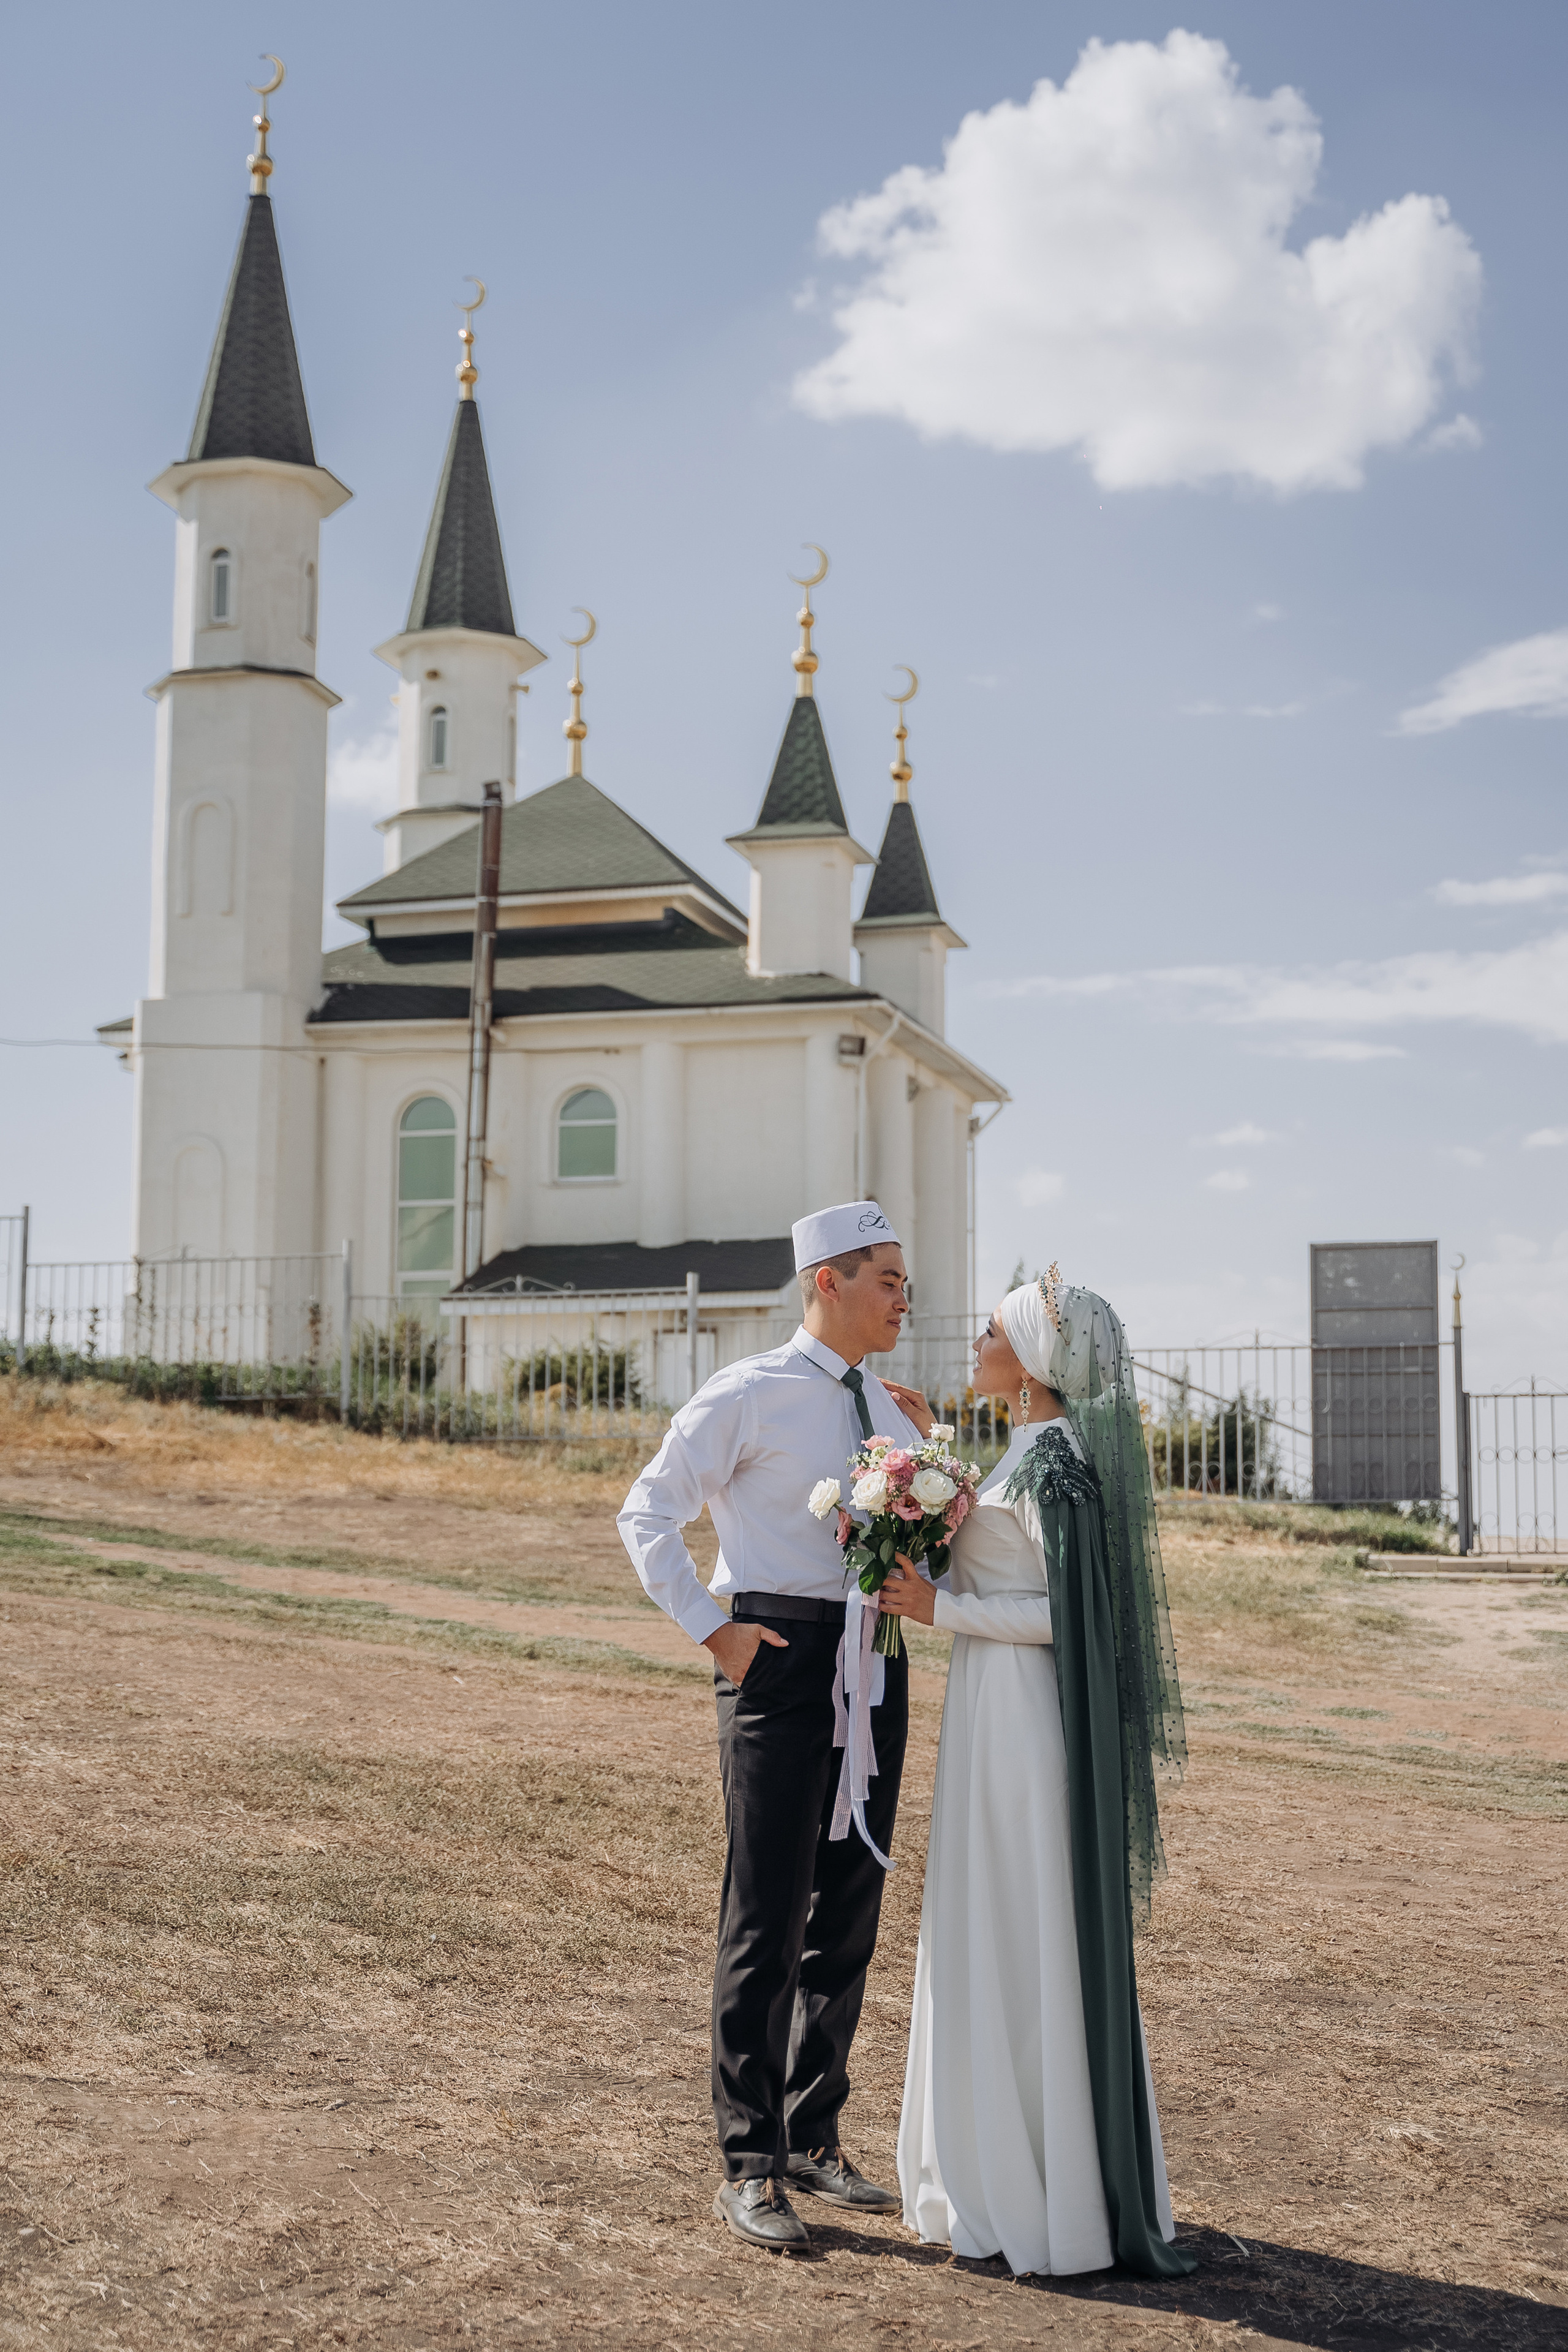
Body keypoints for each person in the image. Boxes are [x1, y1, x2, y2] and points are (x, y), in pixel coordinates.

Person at [617, 1202, 932, 2253]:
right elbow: (647, 1510)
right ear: (827, 1282)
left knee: (849, 1908)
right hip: (780, 1661)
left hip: (874, 1664)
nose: (904, 1297)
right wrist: (717, 1632)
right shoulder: (749, 1392)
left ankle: (813, 2135)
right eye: (886, 1277)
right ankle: (749, 2163)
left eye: (903, 1280)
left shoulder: (892, 1410)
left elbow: (915, 1552)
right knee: (765, 1913)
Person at [880, 1270, 1194, 2280]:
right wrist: (929, 1461)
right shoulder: (1026, 1451)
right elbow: (993, 1553)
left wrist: (939, 1614)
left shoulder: (1058, 1467)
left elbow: (1072, 1620)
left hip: (1022, 1731)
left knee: (1024, 1926)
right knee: (991, 1921)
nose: (974, 1341)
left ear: (1029, 1363)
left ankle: (1045, 2184)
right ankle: (991, 2160)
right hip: (986, 1714)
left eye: (990, 1332)